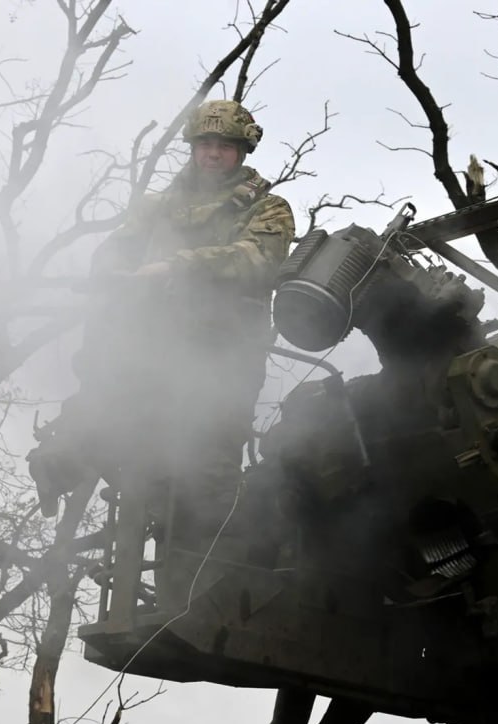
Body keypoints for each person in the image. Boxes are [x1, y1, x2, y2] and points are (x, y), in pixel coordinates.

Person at [27, 98, 296, 596]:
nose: (213, 154)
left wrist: (179, 267)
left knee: (206, 481)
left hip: (221, 365)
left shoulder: (268, 208)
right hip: (151, 355)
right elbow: (115, 251)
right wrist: (111, 274)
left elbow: (257, 258)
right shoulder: (157, 206)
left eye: (223, 146)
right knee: (111, 431)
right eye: (205, 144)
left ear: (240, 151)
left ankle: (193, 597)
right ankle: (65, 461)